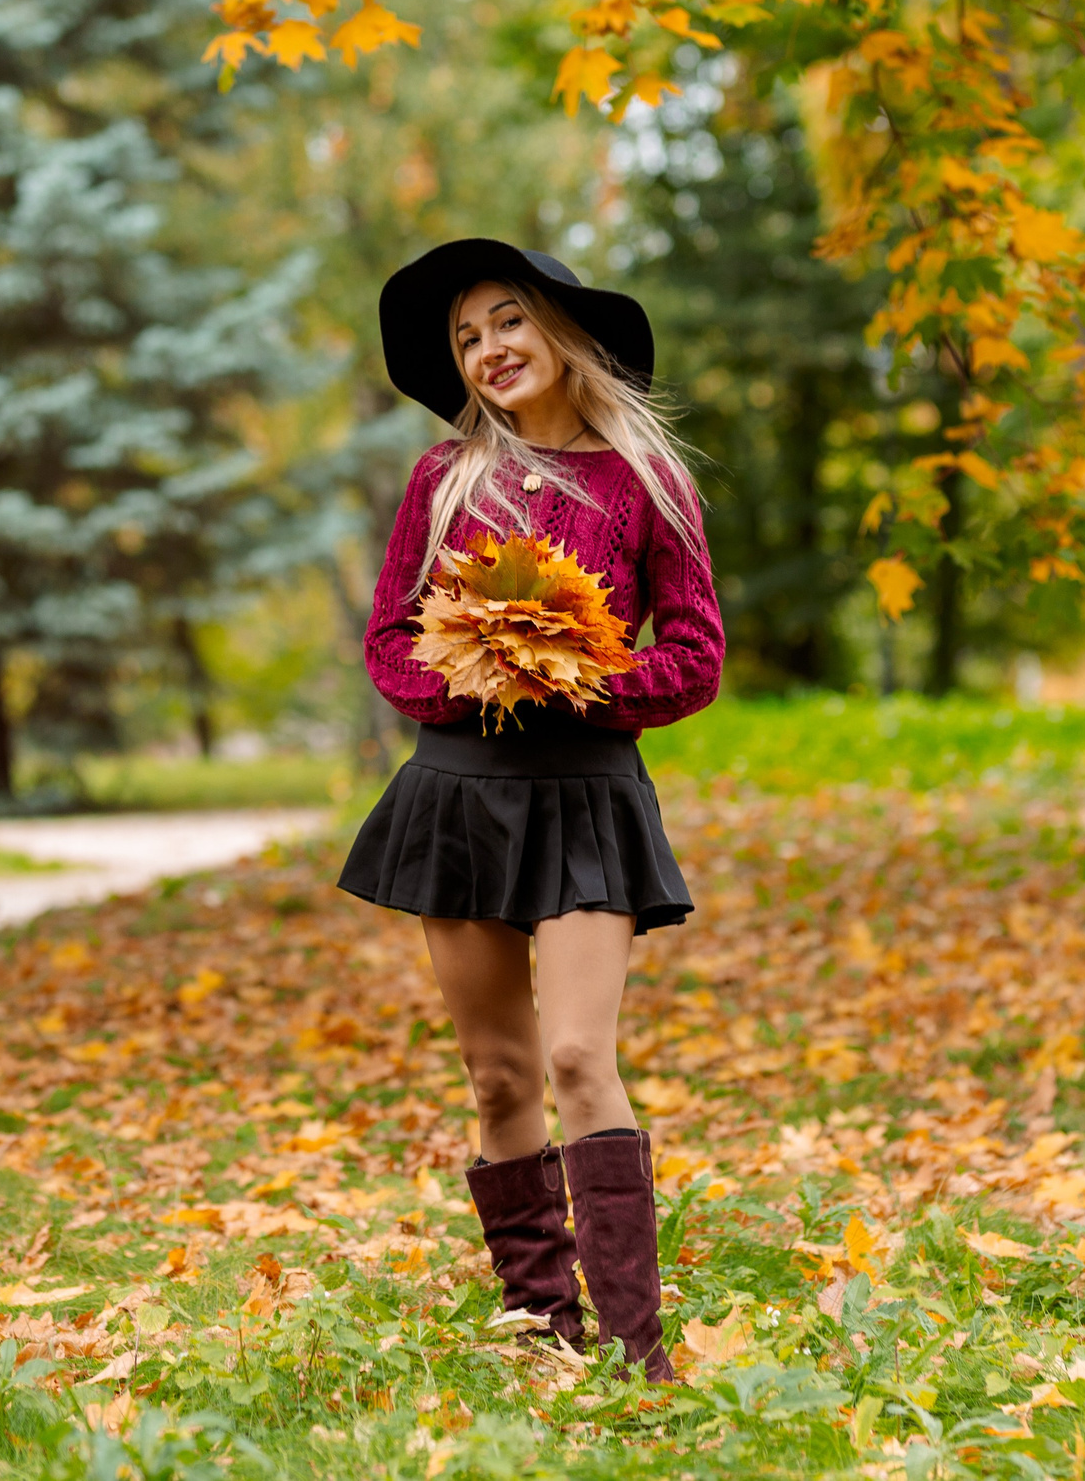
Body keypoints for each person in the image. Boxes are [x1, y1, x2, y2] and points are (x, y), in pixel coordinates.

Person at [338, 239, 723, 1381]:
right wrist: (471, 672)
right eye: (466, 337)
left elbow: (694, 657)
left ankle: (635, 1355)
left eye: (507, 321)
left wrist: (582, 678)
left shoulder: (645, 481)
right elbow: (387, 642)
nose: (488, 350)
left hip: (588, 798)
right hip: (459, 796)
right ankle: (541, 1329)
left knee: (573, 1053)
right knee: (499, 1075)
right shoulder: (438, 480)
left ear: (561, 331)